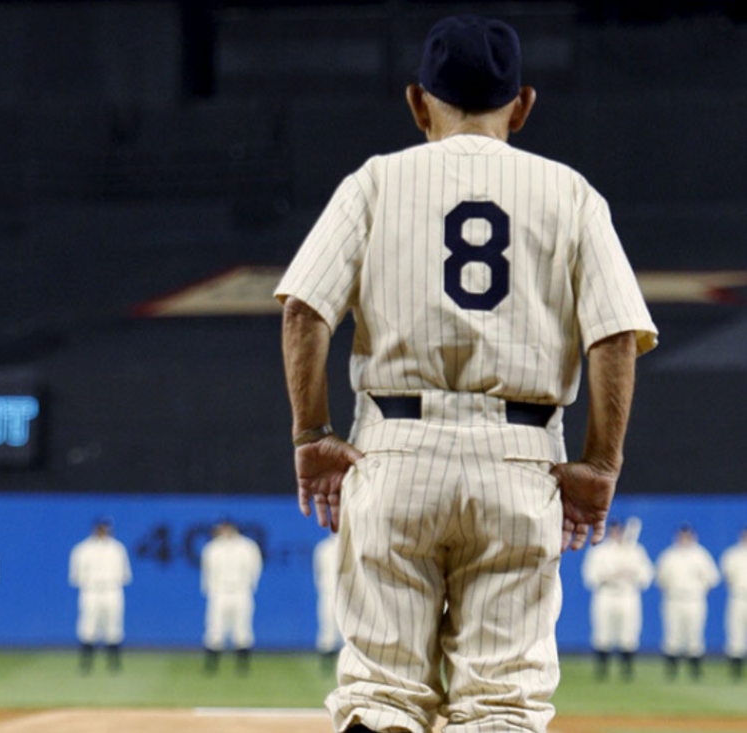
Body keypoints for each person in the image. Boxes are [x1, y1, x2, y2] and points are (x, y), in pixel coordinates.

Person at [277, 14, 657, 733]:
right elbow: (613, 336)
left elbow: (302, 309)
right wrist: (599, 465)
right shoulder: (570, 192)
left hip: (393, 450)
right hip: (520, 460)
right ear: (523, 105)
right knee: (503, 704)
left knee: (380, 696)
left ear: (418, 103)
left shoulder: (375, 181)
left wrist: (312, 434)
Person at [580, 517, 653, 680]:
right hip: (605, 593)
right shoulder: (598, 551)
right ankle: (602, 670)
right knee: (602, 632)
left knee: (629, 632)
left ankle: (627, 670)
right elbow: (590, 576)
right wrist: (608, 575)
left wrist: (630, 572)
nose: (615, 533)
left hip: (627, 594)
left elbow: (646, 575)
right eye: (611, 529)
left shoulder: (634, 551)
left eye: (617, 529)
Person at [655, 523, 720, 680]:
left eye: (687, 535)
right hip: (674, 599)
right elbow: (660, 578)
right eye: (681, 535)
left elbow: (713, 578)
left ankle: (695, 669)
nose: (684, 538)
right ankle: (672, 669)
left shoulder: (701, 555)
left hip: (694, 599)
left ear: (693, 536)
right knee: (672, 634)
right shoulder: (669, 555)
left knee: (694, 634)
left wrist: (700, 588)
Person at [68, 517, 131, 673]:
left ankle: (114, 662)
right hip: (91, 590)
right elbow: (75, 576)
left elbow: (125, 575)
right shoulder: (82, 549)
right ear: (95, 529)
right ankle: (86, 662)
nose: (104, 532)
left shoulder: (118, 549)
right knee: (87, 626)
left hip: (112, 589)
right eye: (101, 528)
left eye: (107, 529)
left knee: (114, 627)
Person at [201, 519, 262, 675]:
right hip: (219, 592)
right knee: (215, 628)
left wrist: (250, 585)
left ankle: (242, 666)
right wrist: (210, 590)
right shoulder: (212, 548)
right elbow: (206, 572)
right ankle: (212, 665)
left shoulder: (247, 547)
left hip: (241, 591)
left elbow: (256, 568)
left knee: (243, 628)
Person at [720, 526, 747, 679]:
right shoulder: (732, 554)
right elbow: (727, 575)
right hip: (738, 597)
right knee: (736, 633)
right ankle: (735, 668)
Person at [314, 533, 341, 670]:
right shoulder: (323, 548)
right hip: (328, 593)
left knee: (349, 631)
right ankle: (326, 665)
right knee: (327, 627)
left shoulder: (354, 545)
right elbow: (318, 571)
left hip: (348, 594)